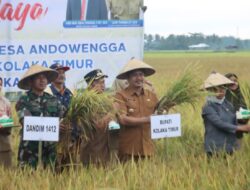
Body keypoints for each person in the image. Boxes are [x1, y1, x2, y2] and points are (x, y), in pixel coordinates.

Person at [16, 65, 66, 169]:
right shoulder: (24, 100)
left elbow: (63, 117)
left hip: (50, 150)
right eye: (38, 78)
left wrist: (62, 125)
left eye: (44, 77)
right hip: (30, 150)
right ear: (31, 81)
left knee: (51, 179)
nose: (42, 80)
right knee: (27, 179)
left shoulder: (53, 100)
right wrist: (54, 125)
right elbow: (26, 122)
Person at [114, 59, 158, 162]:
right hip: (129, 149)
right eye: (135, 75)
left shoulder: (151, 95)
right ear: (128, 79)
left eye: (141, 74)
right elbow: (123, 119)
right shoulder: (120, 95)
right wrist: (148, 119)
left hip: (149, 148)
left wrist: (167, 107)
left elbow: (159, 114)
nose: (139, 78)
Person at [201, 72, 250, 158]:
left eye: (223, 88)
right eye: (216, 89)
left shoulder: (227, 104)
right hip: (215, 148)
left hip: (229, 146)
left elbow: (234, 119)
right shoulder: (208, 107)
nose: (221, 91)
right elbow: (219, 123)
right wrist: (240, 127)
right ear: (210, 91)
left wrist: (245, 126)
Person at [80, 69, 112, 167]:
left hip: (104, 147)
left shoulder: (104, 99)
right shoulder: (86, 102)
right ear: (91, 85)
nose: (103, 85)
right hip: (92, 149)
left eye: (104, 82)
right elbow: (98, 125)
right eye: (99, 83)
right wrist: (113, 112)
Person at [225, 73, 248, 146]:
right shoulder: (223, 96)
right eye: (231, 81)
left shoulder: (240, 96)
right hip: (226, 133)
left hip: (239, 132)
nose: (234, 83)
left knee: (238, 153)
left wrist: (245, 117)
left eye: (235, 80)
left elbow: (245, 113)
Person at [0, 77, 12, 169]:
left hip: (3, 142)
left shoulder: (6, 102)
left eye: (0, 84)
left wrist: (7, 125)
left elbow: (9, 121)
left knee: (6, 172)